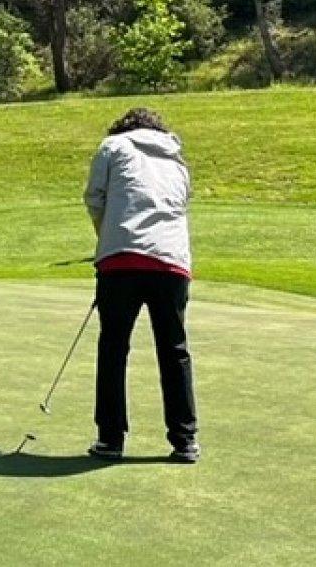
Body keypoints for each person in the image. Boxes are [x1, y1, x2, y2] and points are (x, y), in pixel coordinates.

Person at [83, 107, 199, 463]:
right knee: (174, 348)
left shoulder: (112, 146)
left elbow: (94, 198)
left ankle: (111, 438)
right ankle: (185, 440)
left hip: (122, 260)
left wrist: (106, 241)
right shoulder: (177, 158)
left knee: (114, 349)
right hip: (172, 262)